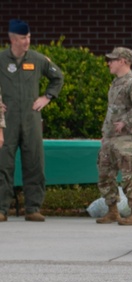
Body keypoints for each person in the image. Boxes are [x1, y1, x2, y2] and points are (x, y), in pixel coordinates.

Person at [0, 19, 64, 222]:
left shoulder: (37, 59)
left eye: (28, 37)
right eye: (22, 38)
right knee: (3, 163)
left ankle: (33, 208)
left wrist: (47, 97)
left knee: (34, 161)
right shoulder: (1, 59)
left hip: (31, 118)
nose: (26, 41)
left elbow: (58, 77)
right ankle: (2, 209)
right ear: (12, 39)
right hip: (7, 120)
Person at [94, 48, 132, 226]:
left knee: (129, 175)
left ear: (123, 61)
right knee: (105, 173)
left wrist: (125, 121)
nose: (109, 63)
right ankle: (112, 211)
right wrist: (105, 133)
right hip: (111, 137)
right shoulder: (116, 83)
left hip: (126, 137)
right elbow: (111, 111)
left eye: (113, 60)